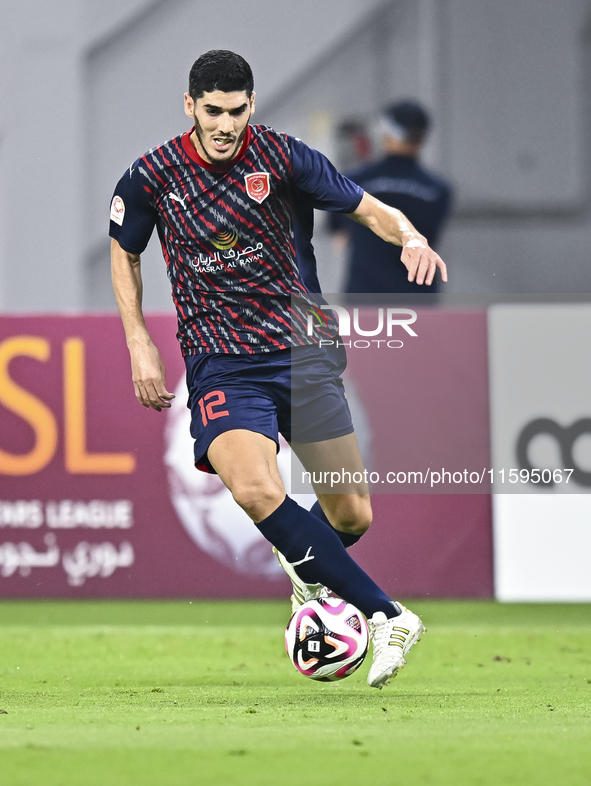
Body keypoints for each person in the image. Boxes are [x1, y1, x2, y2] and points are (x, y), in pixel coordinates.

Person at [109, 50, 446, 689]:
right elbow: (124, 252)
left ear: (251, 105)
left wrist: (409, 237)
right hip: (223, 360)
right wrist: (138, 341)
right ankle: (386, 615)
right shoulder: (151, 175)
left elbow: (371, 208)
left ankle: (308, 570)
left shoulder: (285, 158)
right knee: (257, 489)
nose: (226, 124)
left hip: (304, 348)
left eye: (237, 111)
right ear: (190, 107)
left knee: (350, 516)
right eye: (213, 111)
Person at [330, 100, 452, 294]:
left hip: (365, 294)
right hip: (417, 295)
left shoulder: (354, 182)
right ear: (423, 139)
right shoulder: (438, 190)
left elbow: (337, 228)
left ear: (386, 133)